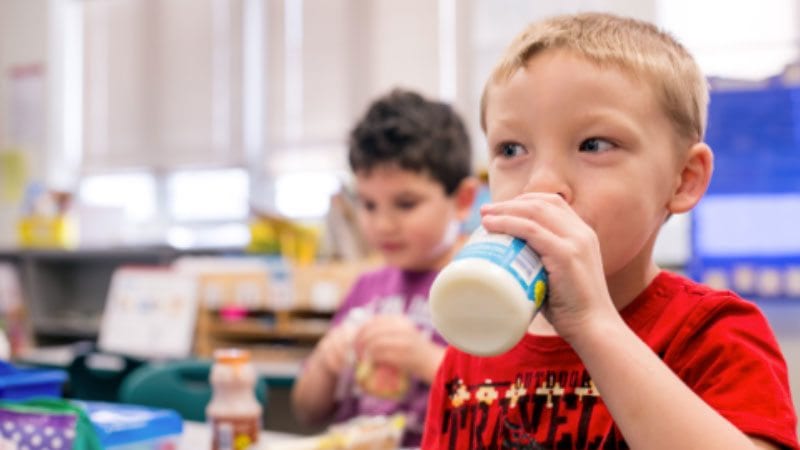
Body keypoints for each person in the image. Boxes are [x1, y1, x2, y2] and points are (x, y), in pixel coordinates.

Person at [421, 12, 799, 450]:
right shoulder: (474, 344)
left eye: (594, 145)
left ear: (683, 179)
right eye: (511, 149)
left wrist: (593, 325)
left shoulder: (710, 334)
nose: (541, 184)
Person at [291, 89, 477, 446]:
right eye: (368, 205)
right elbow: (306, 411)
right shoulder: (366, 287)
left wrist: (427, 360)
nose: (382, 224)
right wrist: (326, 363)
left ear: (462, 200)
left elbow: (508, 409)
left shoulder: (481, 288)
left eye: (405, 204)